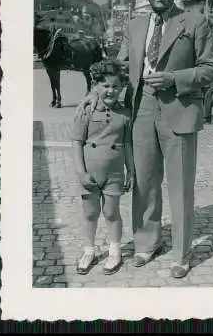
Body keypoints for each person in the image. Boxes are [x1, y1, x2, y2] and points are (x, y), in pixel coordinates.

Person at [78, 0, 213, 278]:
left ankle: (182, 254)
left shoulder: (196, 22)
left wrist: (175, 78)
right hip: (141, 110)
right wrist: (94, 92)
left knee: (181, 187)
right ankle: (146, 242)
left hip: (179, 111)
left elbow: (212, 69)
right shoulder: (135, 25)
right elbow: (118, 67)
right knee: (143, 182)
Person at [69, 60, 134, 275]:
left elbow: (128, 145)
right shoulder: (85, 112)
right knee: (90, 213)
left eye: (115, 86)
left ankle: (115, 251)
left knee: (111, 212)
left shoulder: (125, 114)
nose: (111, 90)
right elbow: (77, 142)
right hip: (90, 173)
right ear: (95, 85)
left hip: (114, 173)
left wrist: (131, 170)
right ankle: (89, 251)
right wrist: (81, 172)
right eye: (105, 85)